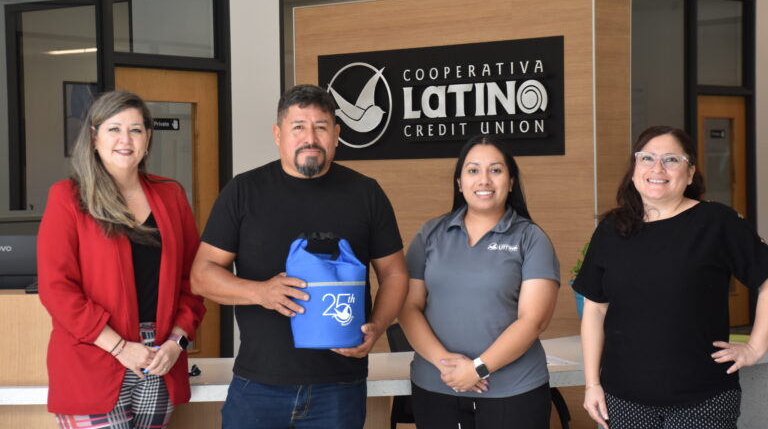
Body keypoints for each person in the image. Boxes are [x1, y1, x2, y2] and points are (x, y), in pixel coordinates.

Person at [190, 84, 409, 429]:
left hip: (340, 387)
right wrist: (259, 292)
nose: (311, 138)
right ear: (278, 134)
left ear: (336, 135)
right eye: (298, 127)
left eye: (321, 127)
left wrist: (378, 327)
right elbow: (201, 274)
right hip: (259, 385)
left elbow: (395, 274)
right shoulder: (243, 191)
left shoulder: (366, 193)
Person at [574, 125, 768, 429]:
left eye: (671, 160)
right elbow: (595, 308)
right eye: (647, 158)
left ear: (690, 174)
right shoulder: (611, 229)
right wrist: (591, 384)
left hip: (703, 399)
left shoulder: (717, 222)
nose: (657, 168)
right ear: (635, 169)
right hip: (623, 398)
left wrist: (756, 346)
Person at [37, 90, 206, 429]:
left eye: (136, 130)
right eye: (114, 129)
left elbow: (193, 280)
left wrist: (177, 342)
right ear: (94, 136)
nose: (125, 140)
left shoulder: (170, 195)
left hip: (159, 360)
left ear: (148, 139)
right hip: (94, 358)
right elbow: (57, 290)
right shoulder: (68, 198)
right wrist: (118, 348)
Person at [399, 135, 560, 429]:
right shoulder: (429, 234)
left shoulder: (531, 238)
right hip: (436, 387)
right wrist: (445, 364)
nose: (484, 180)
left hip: (514, 391)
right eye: (473, 170)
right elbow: (408, 306)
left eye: (495, 170)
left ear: (511, 181)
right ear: (459, 182)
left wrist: (477, 368)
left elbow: (533, 320)